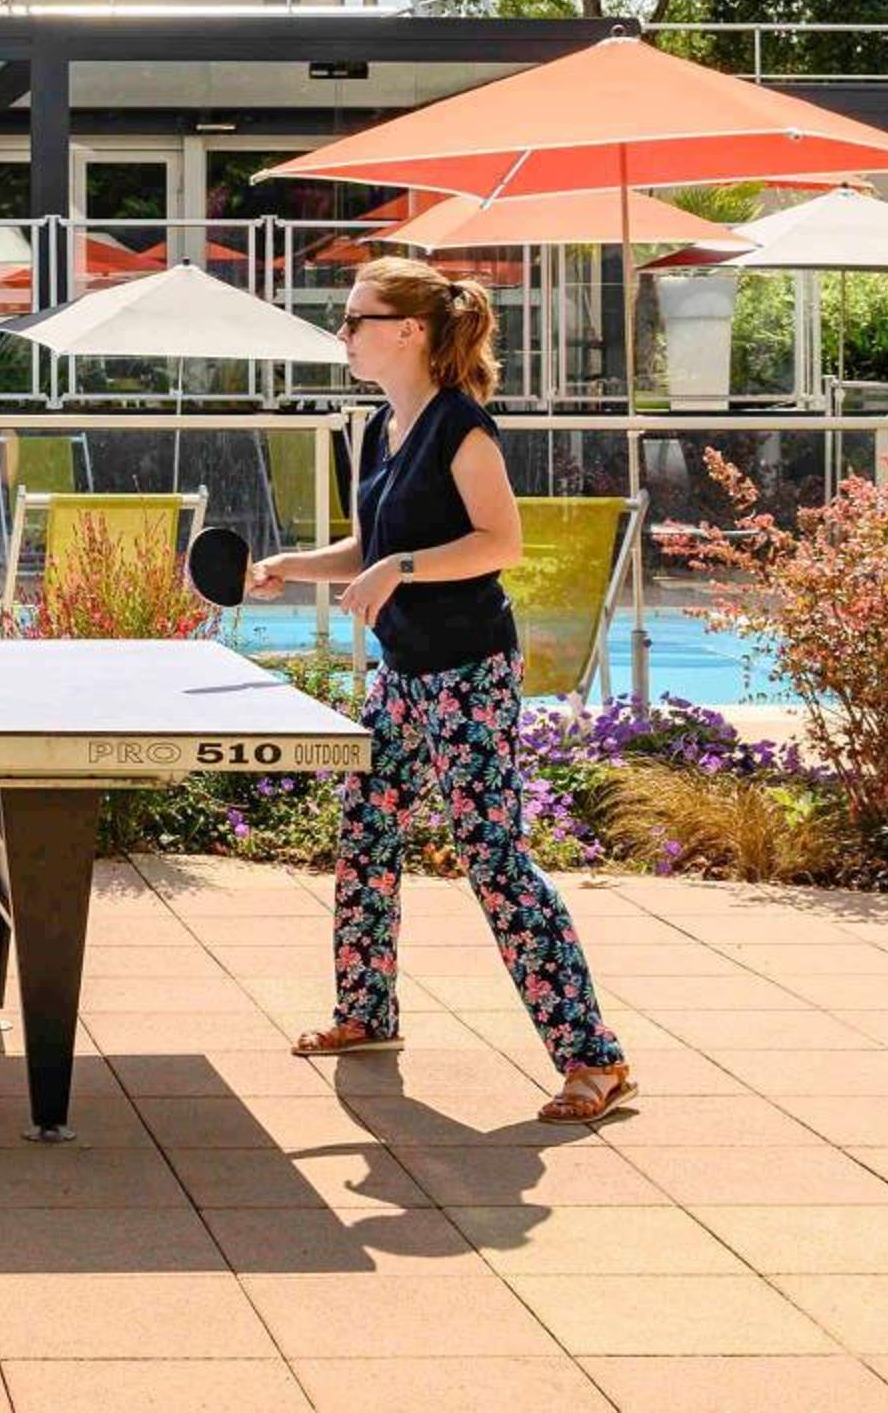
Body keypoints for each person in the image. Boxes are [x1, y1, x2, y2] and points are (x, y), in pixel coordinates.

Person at [248, 254, 634, 1126]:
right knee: (367, 829)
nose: (344, 333)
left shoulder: (462, 427)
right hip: (403, 670)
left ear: (410, 331)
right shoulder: (379, 428)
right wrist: (291, 566)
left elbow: (500, 542)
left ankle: (595, 1059)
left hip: (468, 670)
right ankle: (367, 1012)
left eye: (357, 319)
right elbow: (371, 547)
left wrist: (401, 568)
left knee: (493, 855)